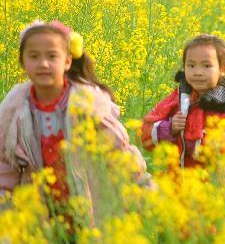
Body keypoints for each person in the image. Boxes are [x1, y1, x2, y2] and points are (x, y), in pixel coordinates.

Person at [0, 21, 148, 229]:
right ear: (22, 62)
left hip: (90, 206)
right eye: (34, 56)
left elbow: (117, 151)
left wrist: (142, 185)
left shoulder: (88, 105)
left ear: (68, 61)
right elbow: (6, 166)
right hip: (43, 216)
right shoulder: (14, 111)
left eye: (52, 56)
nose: (43, 64)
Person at [142, 34, 225, 168]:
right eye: (191, 65)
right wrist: (170, 128)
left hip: (213, 185)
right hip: (176, 183)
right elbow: (144, 134)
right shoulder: (178, 97)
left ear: (223, 69)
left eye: (206, 66)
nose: (198, 72)